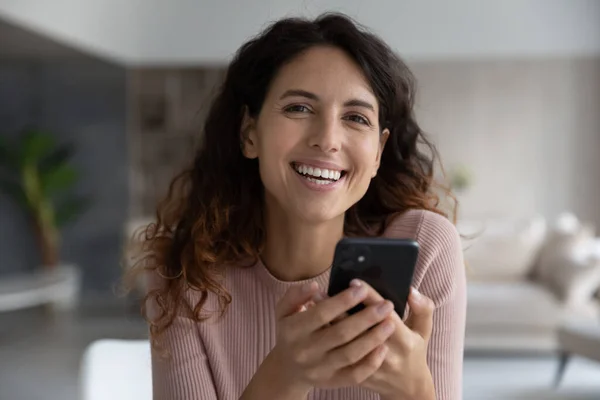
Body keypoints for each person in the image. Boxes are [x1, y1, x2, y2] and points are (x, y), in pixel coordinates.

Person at [131, 12, 466, 400]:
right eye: (299, 109)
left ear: (378, 153)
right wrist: (285, 376)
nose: (327, 139)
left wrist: (415, 390)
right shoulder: (184, 276)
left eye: (356, 117)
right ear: (249, 133)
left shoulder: (427, 249)